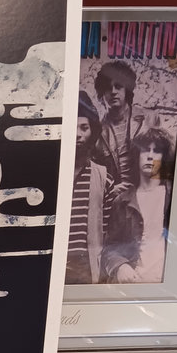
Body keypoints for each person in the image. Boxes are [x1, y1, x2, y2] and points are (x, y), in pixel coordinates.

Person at [101, 128, 173, 284]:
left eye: (157, 151)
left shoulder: (172, 197)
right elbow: (109, 248)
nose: (150, 156)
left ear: (164, 158)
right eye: (145, 150)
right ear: (137, 155)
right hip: (134, 283)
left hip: (166, 284)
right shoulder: (122, 201)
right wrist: (121, 266)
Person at [65, 91, 113, 284]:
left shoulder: (103, 178)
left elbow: (107, 232)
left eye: (84, 128)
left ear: (92, 132)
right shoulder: (53, 174)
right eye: (72, 127)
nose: (77, 134)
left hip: (86, 268)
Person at [92, 60, 149, 189]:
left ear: (127, 89)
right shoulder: (97, 131)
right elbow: (95, 173)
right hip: (115, 197)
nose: (113, 91)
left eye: (118, 86)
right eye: (108, 88)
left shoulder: (148, 120)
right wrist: (110, 189)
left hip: (145, 193)